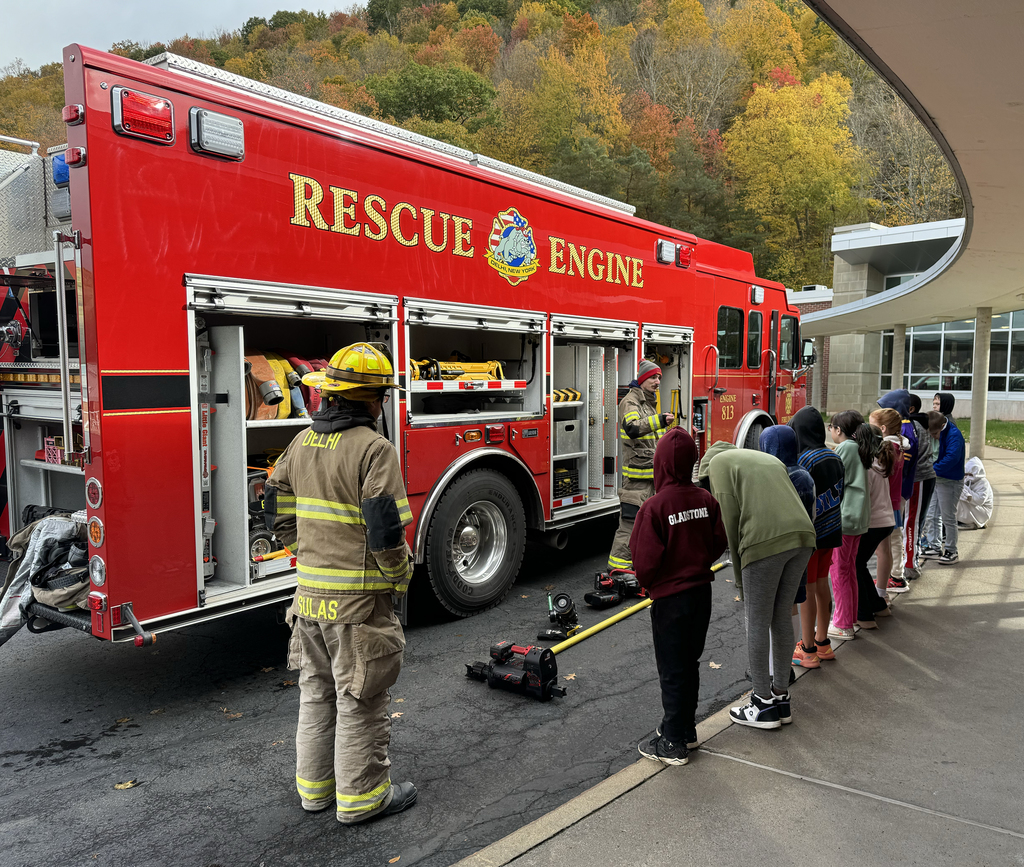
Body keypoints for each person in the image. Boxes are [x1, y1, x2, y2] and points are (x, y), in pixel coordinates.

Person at [266, 342, 417, 824]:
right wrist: (399, 579)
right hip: (357, 607)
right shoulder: (374, 450)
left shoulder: (301, 442)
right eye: (381, 397)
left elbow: (274, 506)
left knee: (316, 693)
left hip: (307, 600)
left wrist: (305, 553)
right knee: (361, 700)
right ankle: (362, 799)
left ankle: (314, 793)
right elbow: (386, 534)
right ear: (369, 399)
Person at [632, 427, 728, 766]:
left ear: (659, 464)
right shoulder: (706, 499)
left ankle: (673, 743)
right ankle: (684, 728)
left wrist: (657, 582)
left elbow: (643, 564)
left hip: (670, 601)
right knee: (690, 663)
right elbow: (719, 542)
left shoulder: (654, 507)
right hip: (701, 593)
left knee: (672, 669)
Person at [706, 448, 815, 730]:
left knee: (756, 622)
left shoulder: (718, 465)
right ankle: (781, 698)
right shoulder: (766, 460)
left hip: (764, 542)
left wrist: (741, 581)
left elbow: (730, 522)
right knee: (780, 616)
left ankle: (761, 704)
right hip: (803, 536)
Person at [788, 406, 845, 667]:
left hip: (812, 536)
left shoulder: (804, 462)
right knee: (823, 584)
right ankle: (823, 642)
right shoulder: (834, 457)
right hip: (833, 530)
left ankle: (807, 649)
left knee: (808, 588)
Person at [607, 359, 674, 572]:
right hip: (636, 481)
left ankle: (642, 567)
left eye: (659, 378)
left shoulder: (648, 402)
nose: (657, 382)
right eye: (653, 377)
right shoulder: (631, 402)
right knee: (630, 526)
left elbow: (653, 441)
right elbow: (633, 429)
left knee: (651, 525)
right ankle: (618, 571)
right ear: (643, 379)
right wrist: (660, 421)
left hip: (651, 478)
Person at [826, 411, 873, 643]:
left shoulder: (845, 448)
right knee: (849, 569)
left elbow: (835, 479)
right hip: (859, 518)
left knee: (839, 572)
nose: (830, 431)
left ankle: (843, 624)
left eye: (831, 427)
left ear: (839, 430)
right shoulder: (861, 447)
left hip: (845, 518)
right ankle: (850, 618)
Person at [876, 390, 919, 590]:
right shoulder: (906, 432)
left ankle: (896, 575)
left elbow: (897, 468)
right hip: (898, 492)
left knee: (894, 535)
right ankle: (895, 574)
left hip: (895, 493)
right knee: (894, 534)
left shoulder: (903, 434)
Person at [856, 421, 897, 628]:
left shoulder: (867, 468)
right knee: (859, 564)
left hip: (874, 524)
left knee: (855, 564)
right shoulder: (879, 463)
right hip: (885, 522)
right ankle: (879, 606)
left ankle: (864, 615)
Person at [868, 408, 908, 595]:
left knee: (884, 549)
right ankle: (888, 581)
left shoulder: (886, 449)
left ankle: (883, 590)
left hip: (885, 504)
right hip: (893, 503)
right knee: (890, 546)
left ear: (883, 428)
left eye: (871, 425)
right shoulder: (900, 446)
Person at [925, 393, 966, 564]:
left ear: (942, 427)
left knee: (948, 517)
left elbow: (952, 458)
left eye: (934, 434)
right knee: (932, 514)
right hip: (938, 479)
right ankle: (934, 546)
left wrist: (933, 470)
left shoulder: (953, 434)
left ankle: (951, 550)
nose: (934, 437)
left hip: (950, 481)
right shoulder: (938, 429)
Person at [905, 394, 936, 580]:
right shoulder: (915, 424)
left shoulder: (913, 427)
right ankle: (909, 560)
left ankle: (910, 565)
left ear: (910, 409)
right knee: (913, 521)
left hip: (919, 478)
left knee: (912, 522)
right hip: (920, 478)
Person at [957, 457, 994, 529]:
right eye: (966, 474)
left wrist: (965, 490)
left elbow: (979, 500)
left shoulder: (983, 483)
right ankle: (962, 520)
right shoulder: (969, 480)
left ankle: (969, 522)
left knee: (959, 501)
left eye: (970, 475)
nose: (967, 476)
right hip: (975, 506)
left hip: (983, 511)